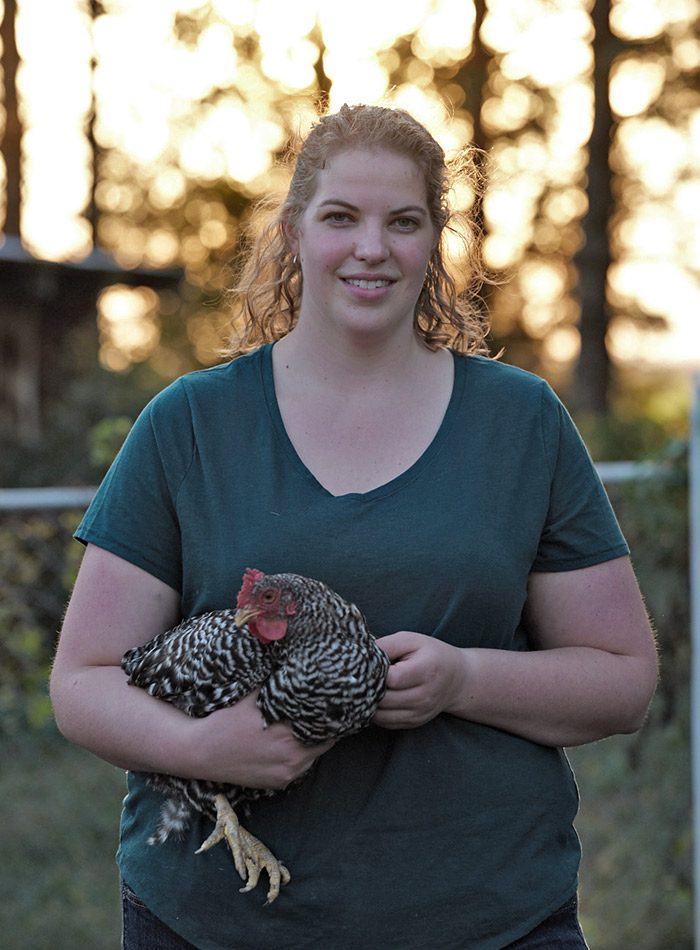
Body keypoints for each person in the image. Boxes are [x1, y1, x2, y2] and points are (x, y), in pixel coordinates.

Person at [50, 103, 658, 950]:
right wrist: (205, 747)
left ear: (433, 240)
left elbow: (623, 678)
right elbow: (81, 680)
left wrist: (463, 679)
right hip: (216, 924)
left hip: (490, 918)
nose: (372, 247)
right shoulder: (189, 424)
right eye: (342, 218)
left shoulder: (520, 424)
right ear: (296, 232)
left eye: (403, 222)